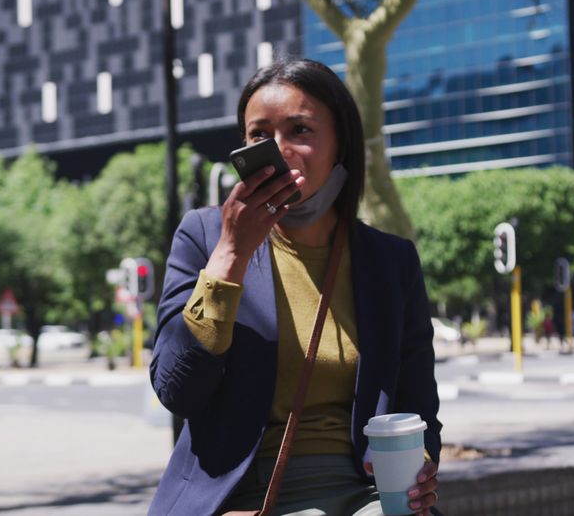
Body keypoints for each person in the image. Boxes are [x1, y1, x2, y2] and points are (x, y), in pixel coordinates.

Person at [148, 58, 442, 516]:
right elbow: (176, 390)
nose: (278, 150)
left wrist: (421, 468)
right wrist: (231, 255)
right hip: (239, 495)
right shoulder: (203, 237)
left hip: (366, 492)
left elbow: (417, 403)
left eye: (300, 131)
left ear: (338, 143)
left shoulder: (390, 261)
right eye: (259, 136)